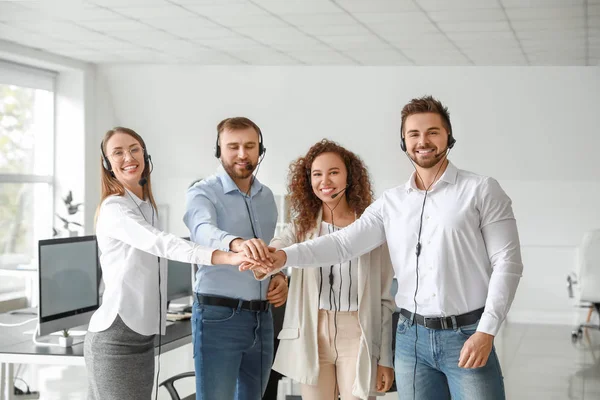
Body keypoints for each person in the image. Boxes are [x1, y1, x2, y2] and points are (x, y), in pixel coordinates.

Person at [244, 96, 524, 400]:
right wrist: (283, 256)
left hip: (466, 333)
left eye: (433, 132)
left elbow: (507, 263)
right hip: (411, 338)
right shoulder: (392, 203)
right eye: (413, 134)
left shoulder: (481, 190)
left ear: (448, 137)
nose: (423, 141)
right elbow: (343, 244)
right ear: (404, 142)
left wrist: (487, 330)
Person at [85, 127, 255, 400]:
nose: (128, 156)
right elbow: (163, 243)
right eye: (118, 152)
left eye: (134, 149)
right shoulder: (115, 209)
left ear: (145, 155)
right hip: (116, 339)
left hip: (141, 338)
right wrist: (228, 256)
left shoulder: (145, 206)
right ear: (108, 164)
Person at [255, 140, 395, 399]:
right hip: (312, 332)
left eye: (333, 172)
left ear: (349, 176)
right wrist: (276, 273)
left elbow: (385, 299)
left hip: (358, 332)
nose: (325, 181)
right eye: (316, 174)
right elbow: (277, 249)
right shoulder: (302, 226)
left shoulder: (372, 228)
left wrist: (385, 357)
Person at [183, 117, 288, 400]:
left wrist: (279, 276)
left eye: (250, 146)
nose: (242, 154)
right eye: (233, 147)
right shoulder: (202, 193)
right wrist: (235, 242)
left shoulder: (267, 197)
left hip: (263, 316)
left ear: (260, 150)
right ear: (219, 150)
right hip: (219, 318)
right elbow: (202, 230)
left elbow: (267, 252)